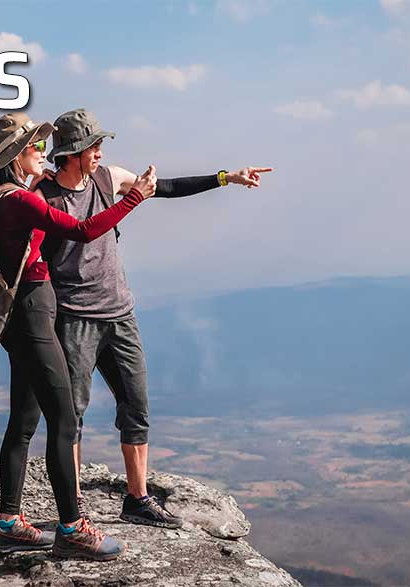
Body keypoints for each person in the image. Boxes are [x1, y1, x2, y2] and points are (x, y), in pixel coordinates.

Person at [35, 108, 272, 529]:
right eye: (93, 146)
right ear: (71, 153)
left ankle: (138, 498)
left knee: (136, 406)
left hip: (120, 313)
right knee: (71, 416)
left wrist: (225, 177)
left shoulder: (108, 178)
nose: (100, 152)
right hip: (74, 319)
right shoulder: (45, 197)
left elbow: (166, 188)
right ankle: (73, 509)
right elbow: (73, 234)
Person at [0, 112, 156, 560]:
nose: (44, 152)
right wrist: (134, 197)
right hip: (36, 314)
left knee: (22, 423)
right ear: (18, 157)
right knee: (63, 419)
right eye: (36, 148)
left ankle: (7, 522)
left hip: (19, 317)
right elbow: (82, 230)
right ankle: (72, 528)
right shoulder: (20, 199)